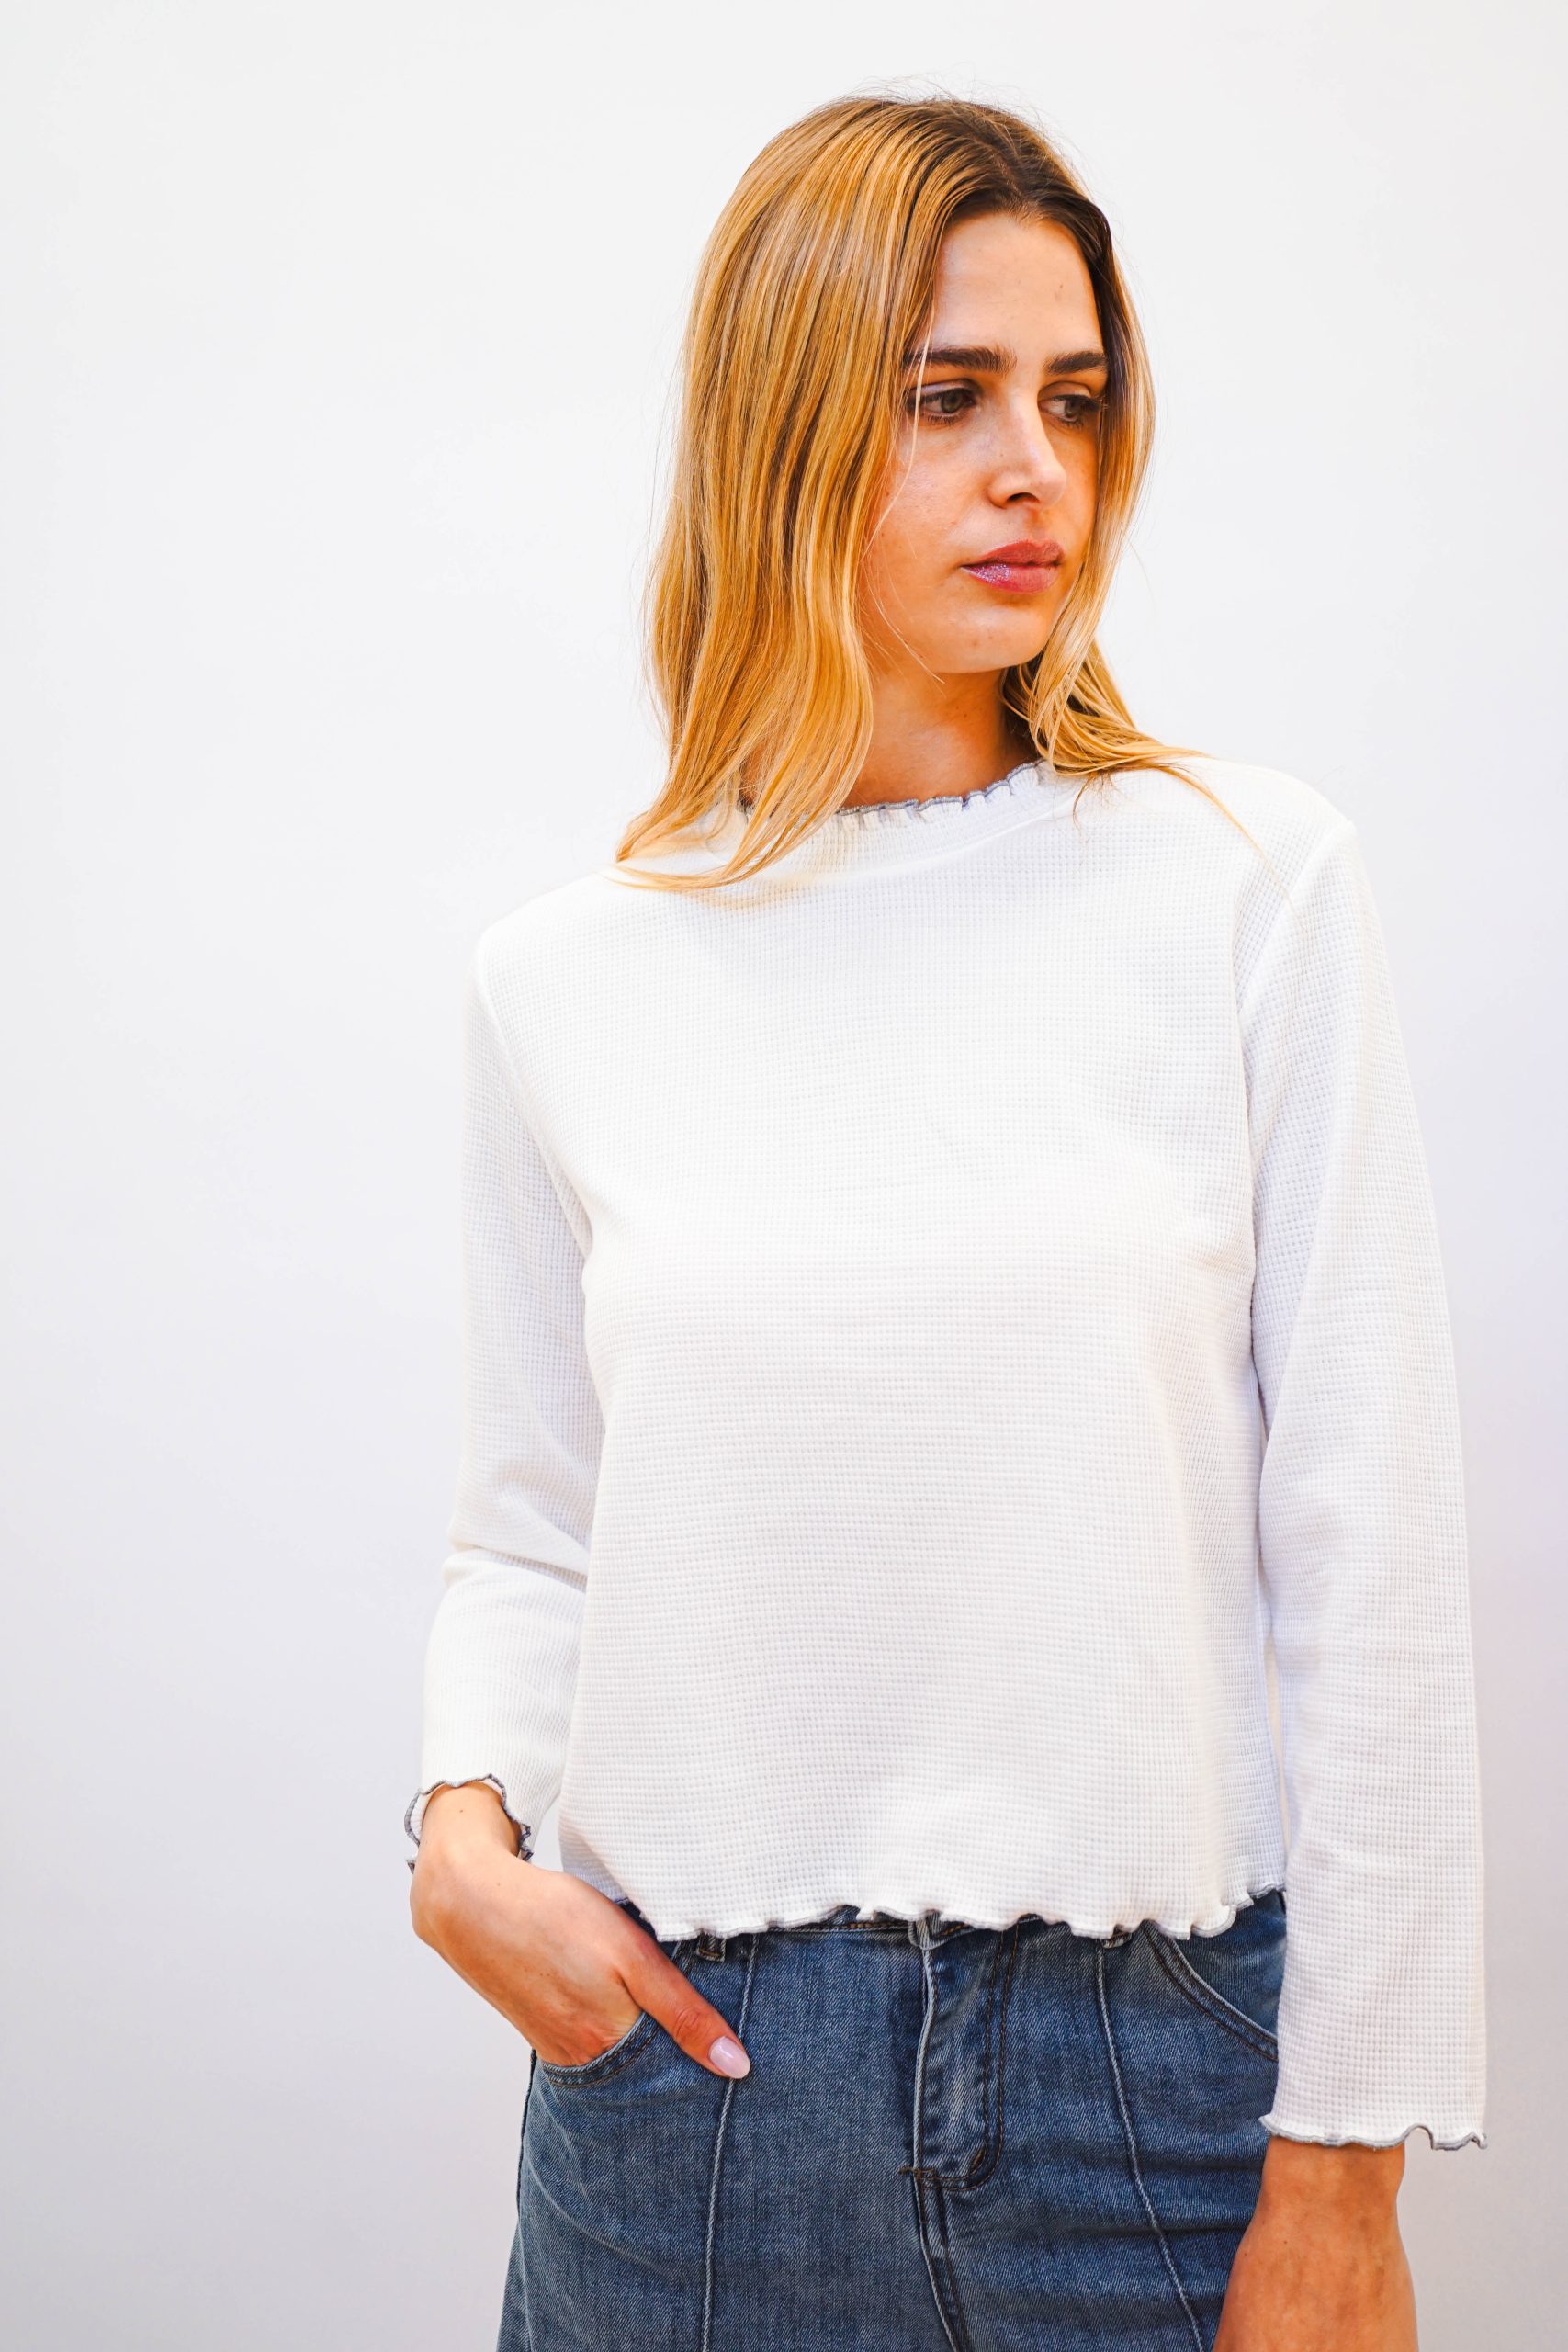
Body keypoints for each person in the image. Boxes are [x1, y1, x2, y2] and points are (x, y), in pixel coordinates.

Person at [403, 91, 1486, 2352]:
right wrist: (458, 1831)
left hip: (1153, 2091)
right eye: (945, 395)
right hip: (688, 2103)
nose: (1034, 471)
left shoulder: (1242, 888)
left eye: (1071, 401)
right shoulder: (563, 979)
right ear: (783, 424)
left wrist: (1346, 2162)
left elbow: (1368, 1568)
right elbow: (533, 1531)